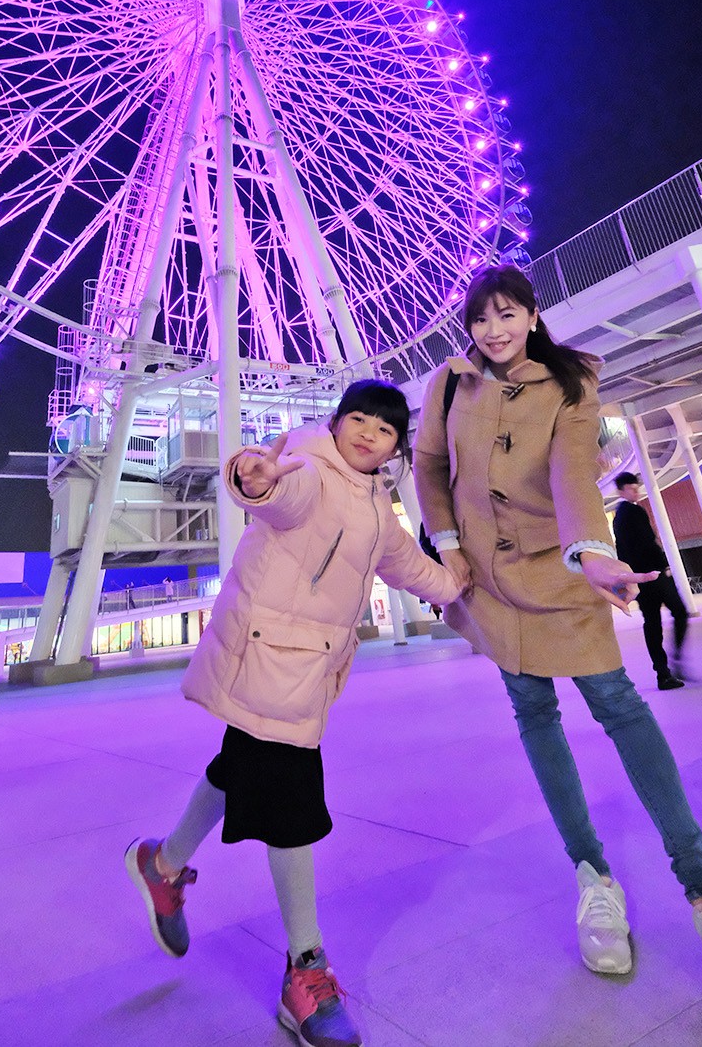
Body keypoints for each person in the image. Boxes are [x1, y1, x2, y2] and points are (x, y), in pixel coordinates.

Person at [413, 263, 702, 1017]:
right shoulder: (449, 384)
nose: (494, 329)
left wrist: (591, 552)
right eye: (482, 317)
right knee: (533, 716)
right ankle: (593, 877)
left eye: (508, 313)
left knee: (619, 705)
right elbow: (428, 464)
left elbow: (570, 478)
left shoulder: (569, 384)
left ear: (530, 314)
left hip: (561, 576)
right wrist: (448, 540)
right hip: (487, 582)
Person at [125, 380, 468, 1047]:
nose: (368, 434)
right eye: (359, 420)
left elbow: (406, 565)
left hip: (302, 669)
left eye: (385, 430)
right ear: (336, 423)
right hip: (269, 662)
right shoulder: (311, 465)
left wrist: (459, 582)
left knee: (236, 770)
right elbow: (281, 493)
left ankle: (162, 865)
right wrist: (254, 478)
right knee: (293, 806)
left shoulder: (374, 504)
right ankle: (305, 971)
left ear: (396, 447)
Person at [613, 472, 689, 688]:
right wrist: (663, 565)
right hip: (653, 575)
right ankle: (674, 662)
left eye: (636, 487)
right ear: (621, 491)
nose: (636, 491)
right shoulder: (634, 511)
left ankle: (663, 673)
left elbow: (622, 550)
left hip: (639, 578)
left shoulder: (618, 517)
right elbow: (648, 541)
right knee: (679, 612)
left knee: (652, 623)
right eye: (631, 488)